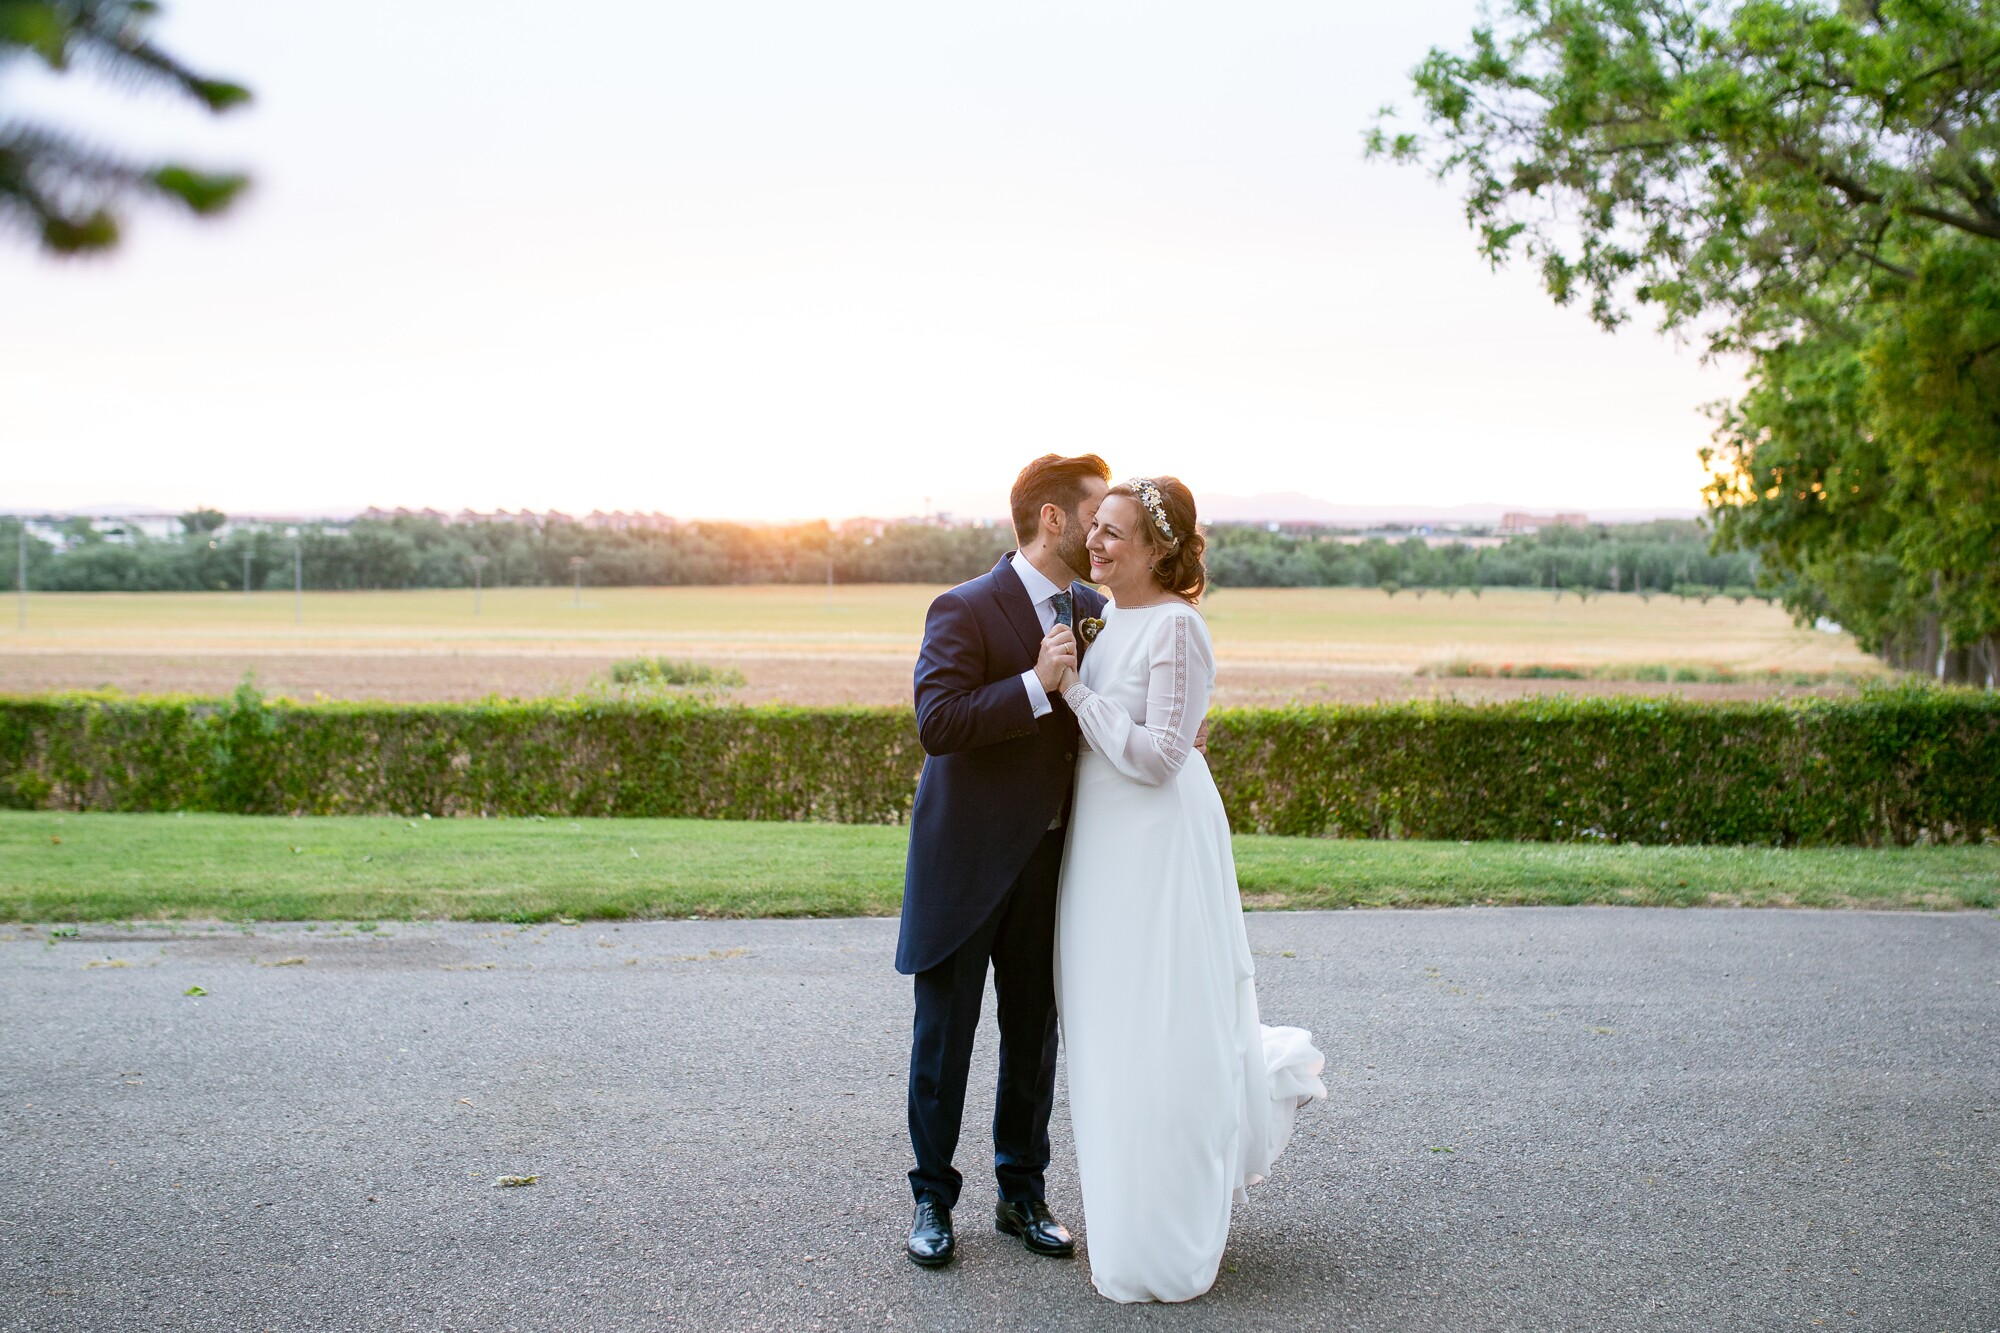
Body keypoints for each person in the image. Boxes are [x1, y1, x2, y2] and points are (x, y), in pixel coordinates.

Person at [1051, 476, 1325, 1303]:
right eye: (1095, 528)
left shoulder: (1177, 626)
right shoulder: (1105, 617)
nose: (1096, 543)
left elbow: (1161, 757)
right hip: (1101, 847)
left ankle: (1164, 1231)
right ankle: (1125, 1209)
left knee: (1159, 1023)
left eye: (1116, 534)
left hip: (1158, 848)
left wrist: (1073, 691)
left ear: (1162, 549)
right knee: (1107, 1026)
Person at [894, 453, 1111, 1268]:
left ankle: (1023, 1194)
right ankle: (931, 1201)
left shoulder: (1096, 609)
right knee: (944, 1037)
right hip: (966, 860)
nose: (1100, 532)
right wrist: (1033, 683)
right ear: (1053, 518)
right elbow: (938, 721)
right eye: (1094, 514)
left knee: (1033, 1034)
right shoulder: (964, 607)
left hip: (1054, 862)